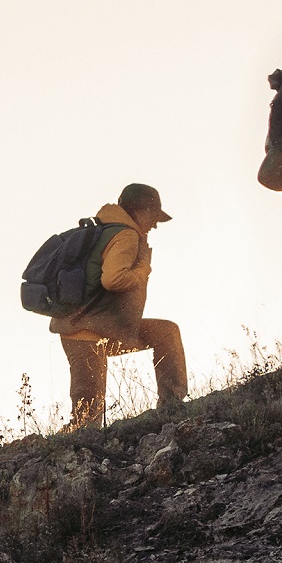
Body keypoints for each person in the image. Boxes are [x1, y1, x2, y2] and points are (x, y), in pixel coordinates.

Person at [53, 182, 187, 427]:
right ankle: (172, 407)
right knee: (87, 421)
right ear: (141, 210)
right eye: (154, 216)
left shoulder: (105, 229)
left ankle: (172, 409)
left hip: (90, 329)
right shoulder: (125, 234)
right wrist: (143, 268)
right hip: (87, 334)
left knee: (166, 332)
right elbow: (113, 279)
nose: (155, 224)